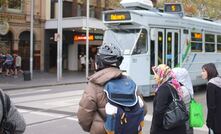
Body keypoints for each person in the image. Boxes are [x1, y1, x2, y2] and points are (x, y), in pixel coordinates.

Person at [77, 43, 147, 134]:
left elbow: (83, 117)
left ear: (99, 62)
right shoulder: (128, 81)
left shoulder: (94, 85)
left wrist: (95, 127)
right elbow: (143, 110)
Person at [150, 64, 186, 134]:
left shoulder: (163, 89)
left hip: (167, 129)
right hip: (179, 127)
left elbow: (159, 112)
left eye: (156, 74)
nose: (154, 77)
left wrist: (155, 130)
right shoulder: (174, 84)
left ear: (162, 75)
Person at [173, 67, 194, 134]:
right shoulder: (187, 86)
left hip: (184, 122)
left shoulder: (182, 89)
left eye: (173, 75)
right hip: (186, 120)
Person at [201, 63, 221, 134]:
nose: (201, 73)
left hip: (216, 122)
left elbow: (211, 107)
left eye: (203, 71)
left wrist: (209, 122)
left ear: (209, 71)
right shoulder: (219, 80)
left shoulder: (211, 85)